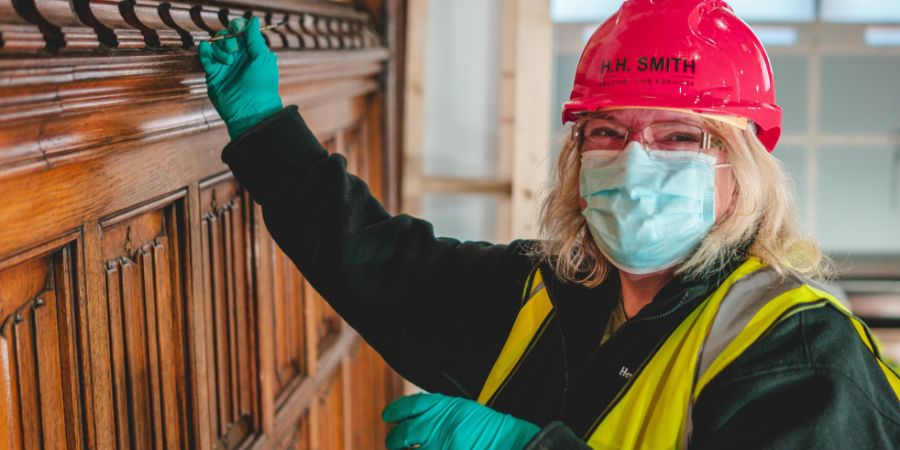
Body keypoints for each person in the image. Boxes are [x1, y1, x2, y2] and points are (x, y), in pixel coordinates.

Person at [198, 1, 900, 448]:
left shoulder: (799, 351)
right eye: (606, 131)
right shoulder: (548, 291)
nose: (634, 161)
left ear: (742, 165)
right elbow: (376, 263)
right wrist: (265, 131)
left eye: (680, 136)